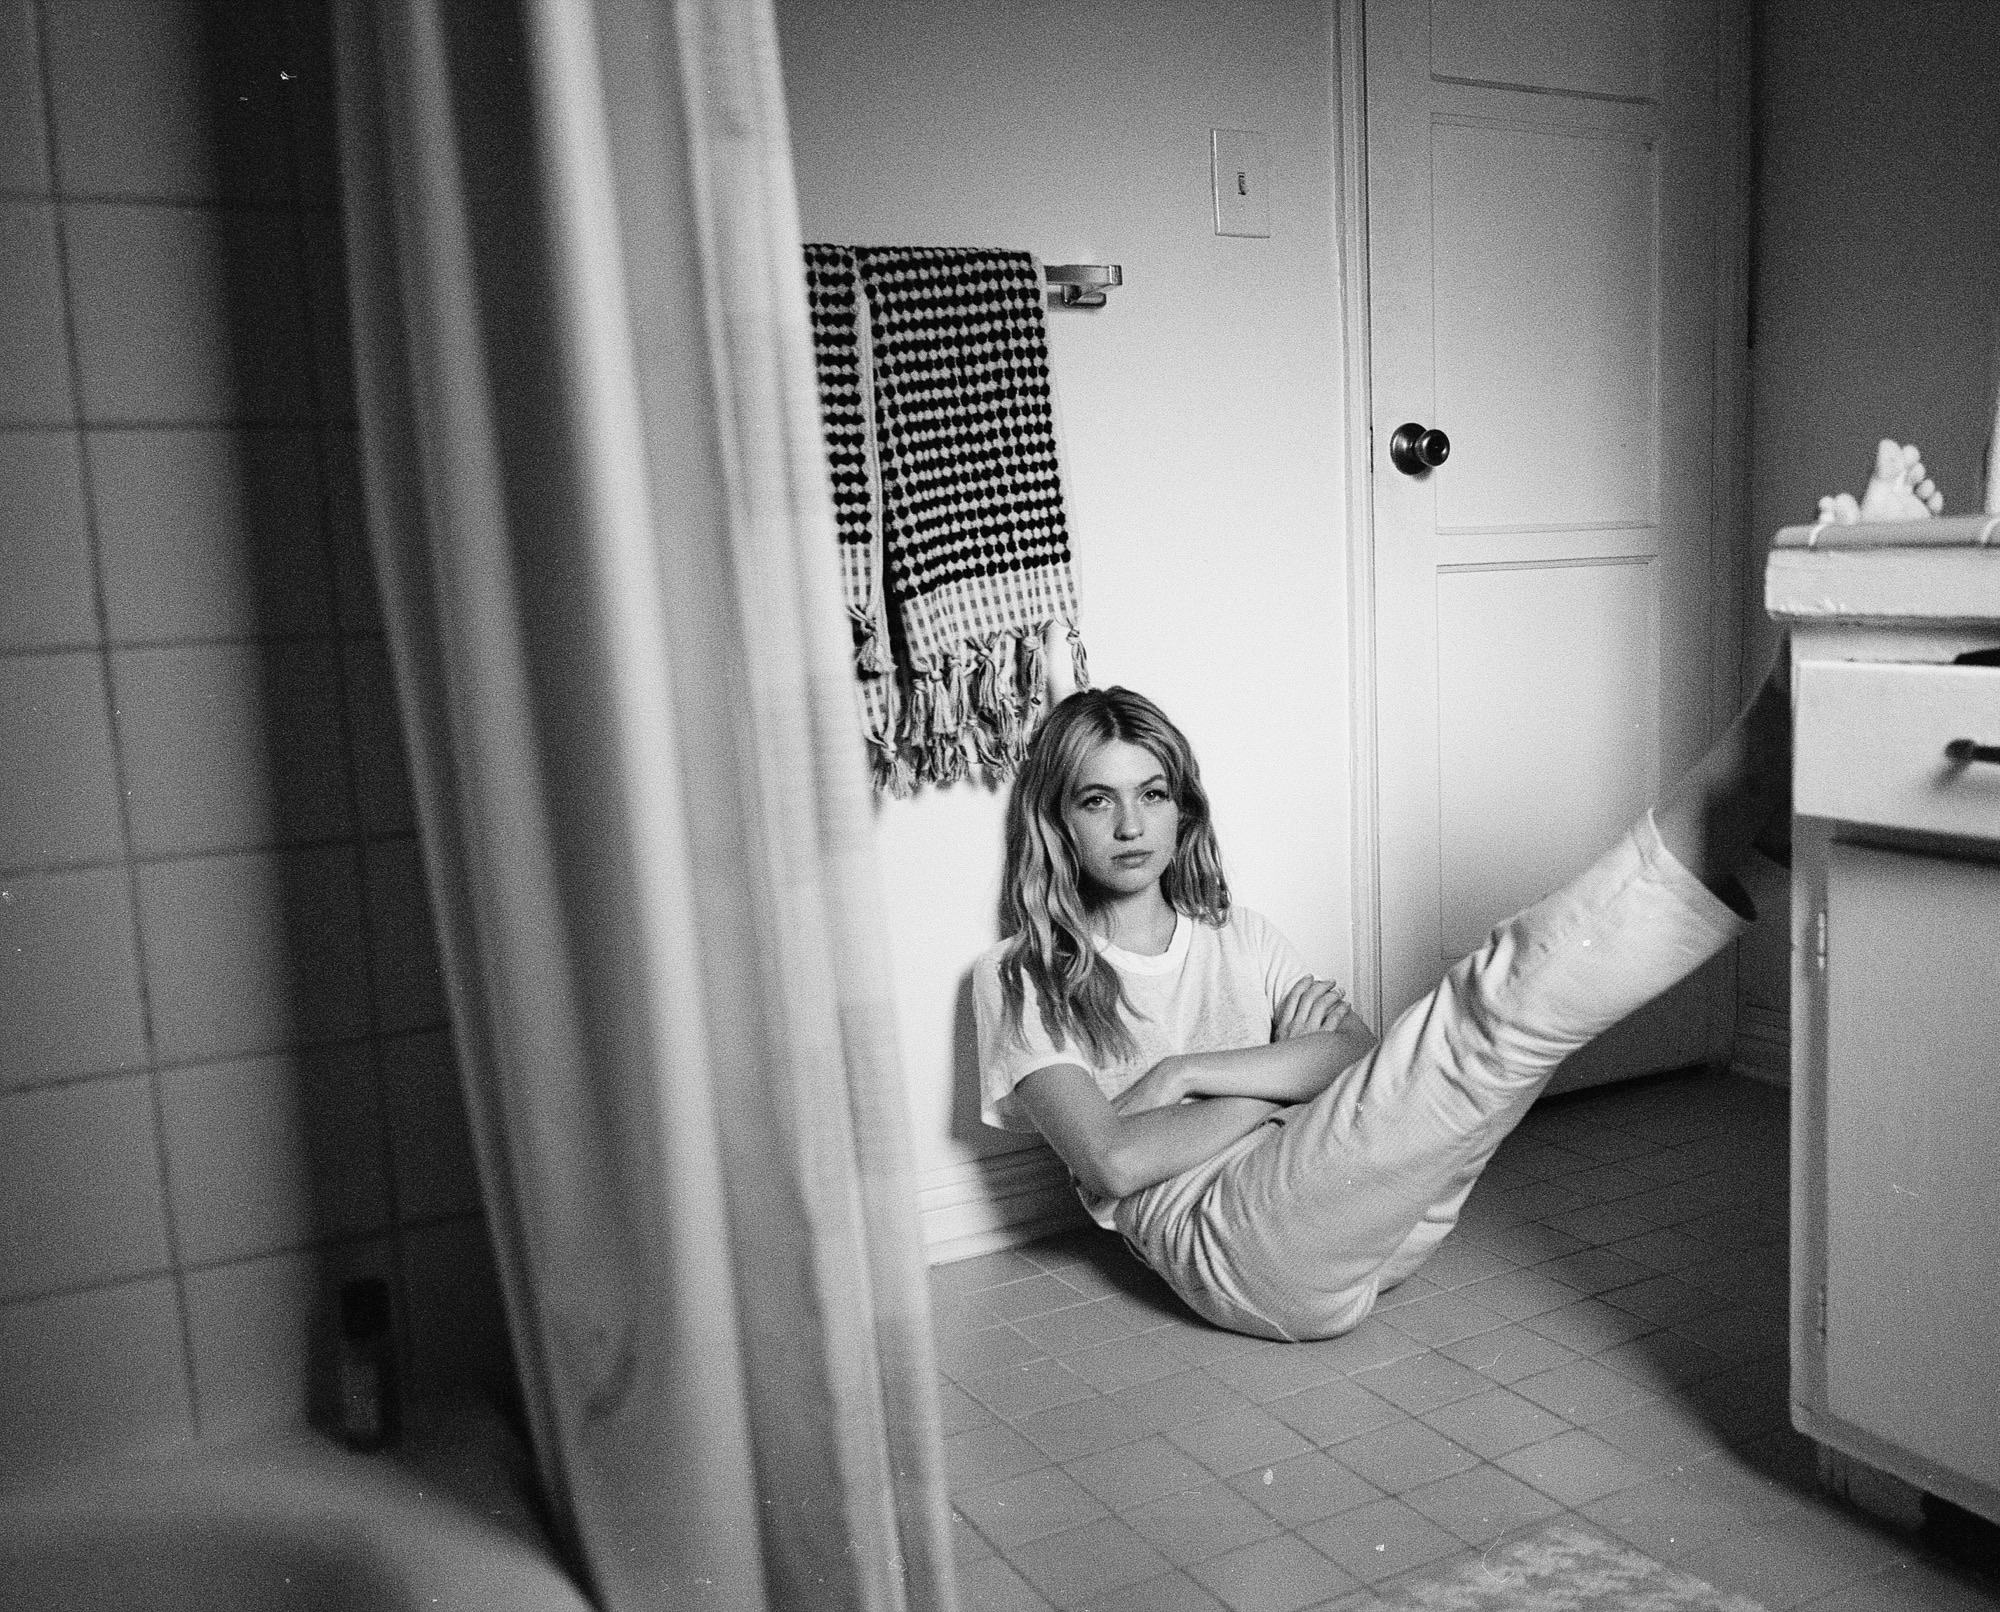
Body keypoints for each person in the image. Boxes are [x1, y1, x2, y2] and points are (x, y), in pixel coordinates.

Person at [971, 668, 1792, 1343]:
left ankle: (1749, 832)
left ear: (1183, 811)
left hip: (1368, 1230)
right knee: (1480, 1028)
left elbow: (1356, 1061)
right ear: (1057, 823)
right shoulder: (1020, 976)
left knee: (1494, 1059)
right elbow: (1111, 1161)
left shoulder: (1240, 938)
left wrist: (1187, 1075)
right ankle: (1749, 772)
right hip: (1239, 1246)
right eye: (1095, 800)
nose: (1128, 824)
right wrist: (1267, 1098)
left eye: (1151, 794)